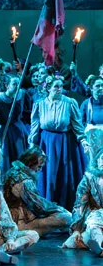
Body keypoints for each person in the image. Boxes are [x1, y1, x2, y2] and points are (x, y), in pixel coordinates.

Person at [28, 74, 90, 211]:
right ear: (48, 88)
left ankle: (65, 206)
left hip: (65, 143)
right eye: (56, 86)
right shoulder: (40, 104)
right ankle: (48, 205)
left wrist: (83, 140)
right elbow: (35, 125)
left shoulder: (70, 102)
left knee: (64, 174)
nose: (59, 89)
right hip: (46, 143)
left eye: (61, 86)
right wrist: (32, 144)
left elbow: (77, 124)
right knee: (48, 174)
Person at [3, 147, 72, 237]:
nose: (40, 170)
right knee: (66, 218)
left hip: (13, 220)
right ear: (31, 163)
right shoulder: (24, 180)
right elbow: (39, 206)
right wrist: (60, 209)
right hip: (19, 222)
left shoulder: (13, 171)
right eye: (39, 166)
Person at [62, 145, 103, 257]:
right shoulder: (89, 179)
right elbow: (79, 205)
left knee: (82, 239)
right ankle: (99, 247)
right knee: (93, 226)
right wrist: (76, 229)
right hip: (97, 215)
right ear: (97, 160)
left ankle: (91, 244)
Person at [0, 74, 31, 173]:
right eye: (14, 84)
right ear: (7, 85)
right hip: (4, 131)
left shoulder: (21, 96)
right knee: (6, 158)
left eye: (19, 84)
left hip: (18, 131)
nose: (17, 86)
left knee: (19, 156)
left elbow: (26, 113)